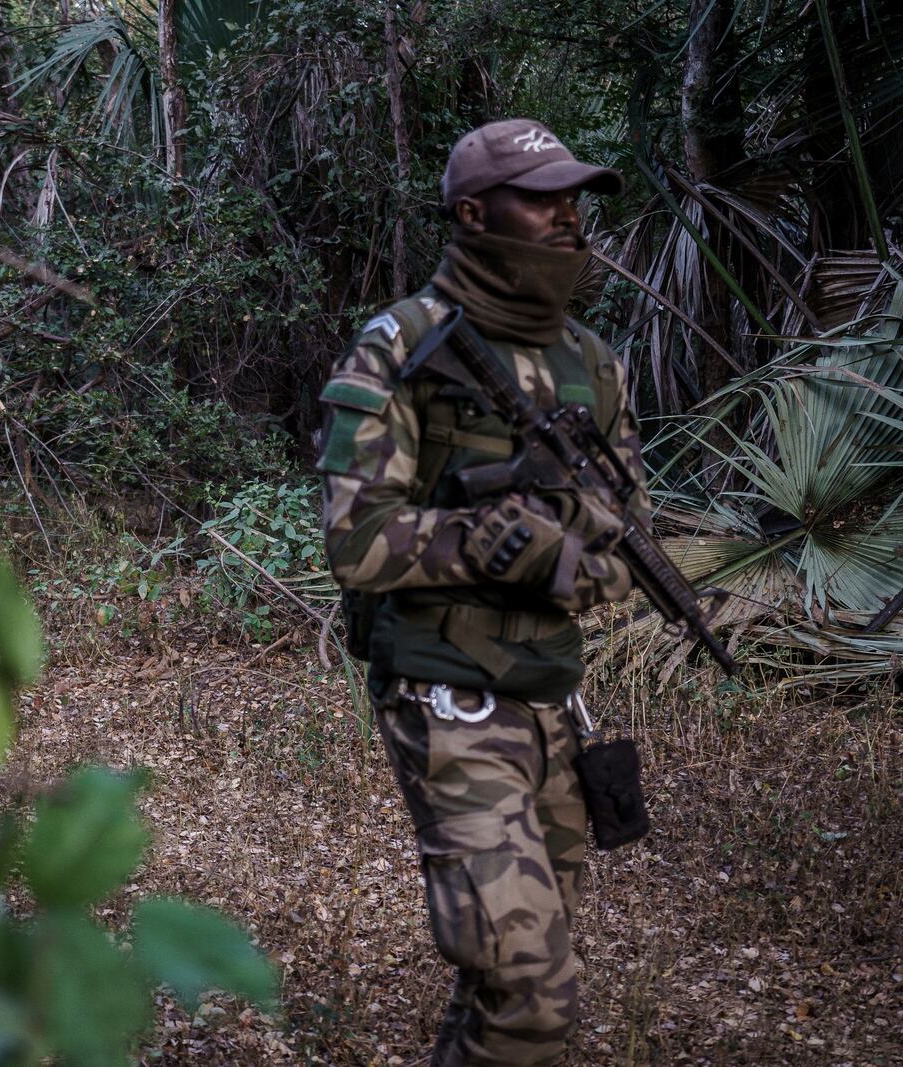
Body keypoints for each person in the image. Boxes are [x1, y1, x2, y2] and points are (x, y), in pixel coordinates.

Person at [317, 119, 648, 1065]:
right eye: (541, 198)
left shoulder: (591, 359)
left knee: (500, 982)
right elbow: (356, 542)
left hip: (551, 699)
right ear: (474, 211)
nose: (566, 218)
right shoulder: (400, 347)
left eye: (572, 199)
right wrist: (492, 545)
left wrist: (579, 560)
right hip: (445, 694)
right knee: (535, 995)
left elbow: (632, 539)